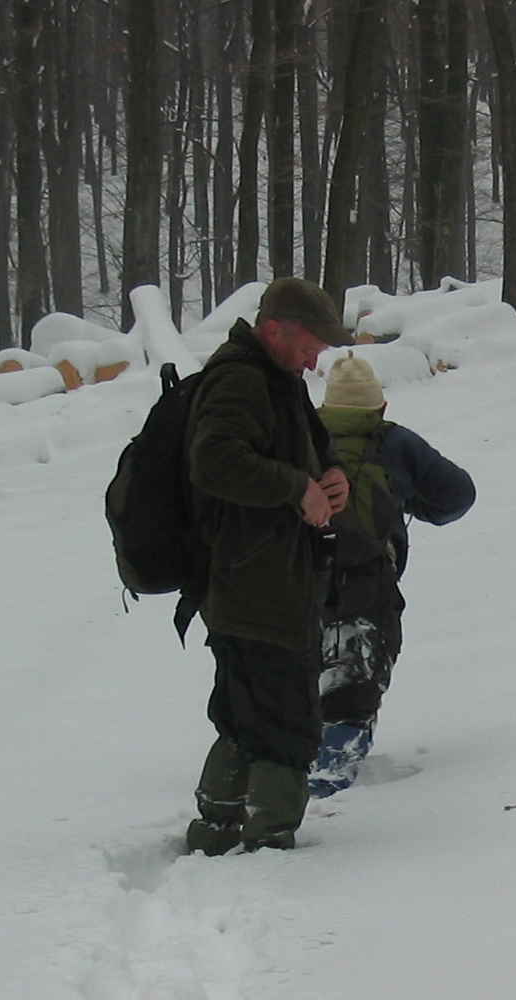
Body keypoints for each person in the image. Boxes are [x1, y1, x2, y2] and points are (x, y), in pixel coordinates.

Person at [184, 277, 353, 855]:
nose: (316, 358)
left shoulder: (278, 379)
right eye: (310, 344)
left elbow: (309, 445)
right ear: (273, 329)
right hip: (254, 581)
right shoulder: (239, 378)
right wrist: (293, 489)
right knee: (286, 719)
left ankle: (217, 831)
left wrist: (332, 474)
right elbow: (215, 462)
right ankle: (268, 849)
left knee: (244, 714)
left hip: (261, 578)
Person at [309, 354, 476, 798]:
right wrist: (411, 504)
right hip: (366, 574)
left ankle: (278, 764)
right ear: (379, 408)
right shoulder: (393, 442)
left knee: (298, 664)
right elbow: (458, 495)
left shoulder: (298, 435)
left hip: (296, 574)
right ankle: (332, 772)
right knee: (360, 667)